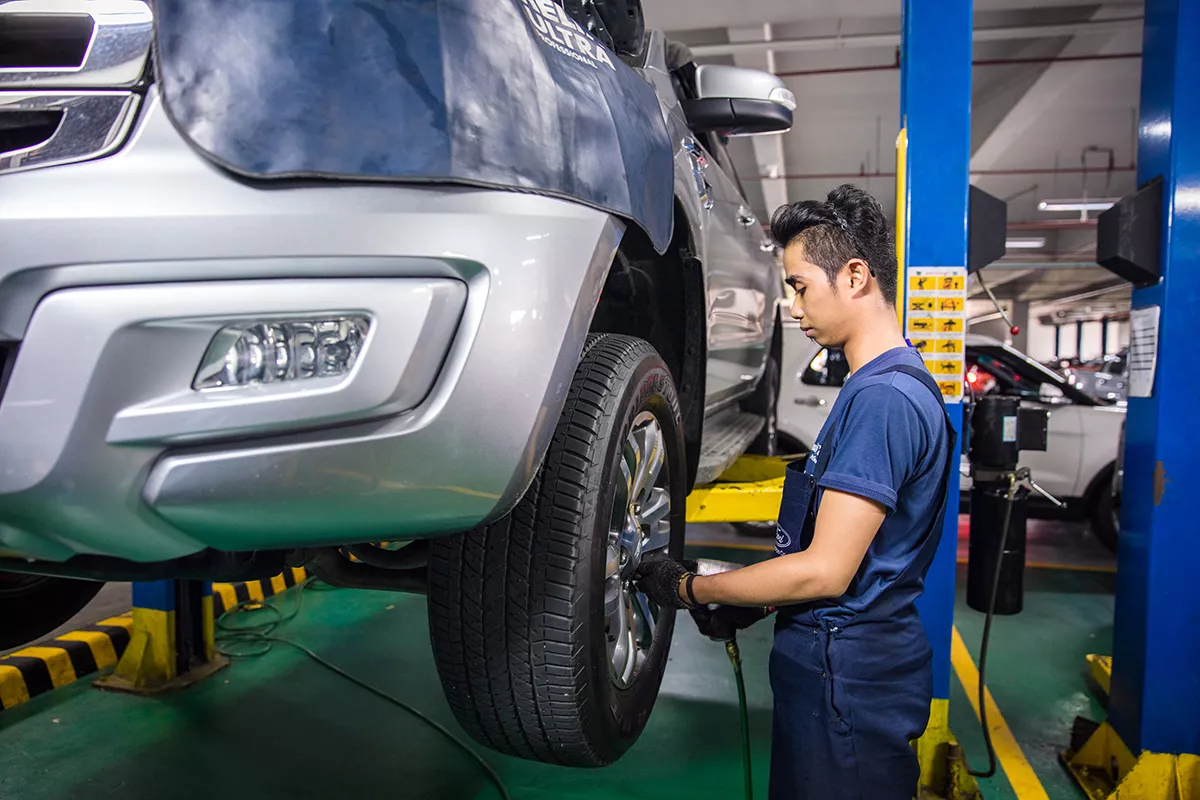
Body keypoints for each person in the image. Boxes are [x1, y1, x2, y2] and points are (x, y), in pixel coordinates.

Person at [635, 184, 956, 800]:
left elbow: (824, 573)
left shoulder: (882, 400)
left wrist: (687, 587)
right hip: (851, 664)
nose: (794, 307)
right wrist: (753, 599)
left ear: (856, 276)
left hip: (846, 678)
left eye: (802, 286)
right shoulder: (892, 384)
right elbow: (848, 554)